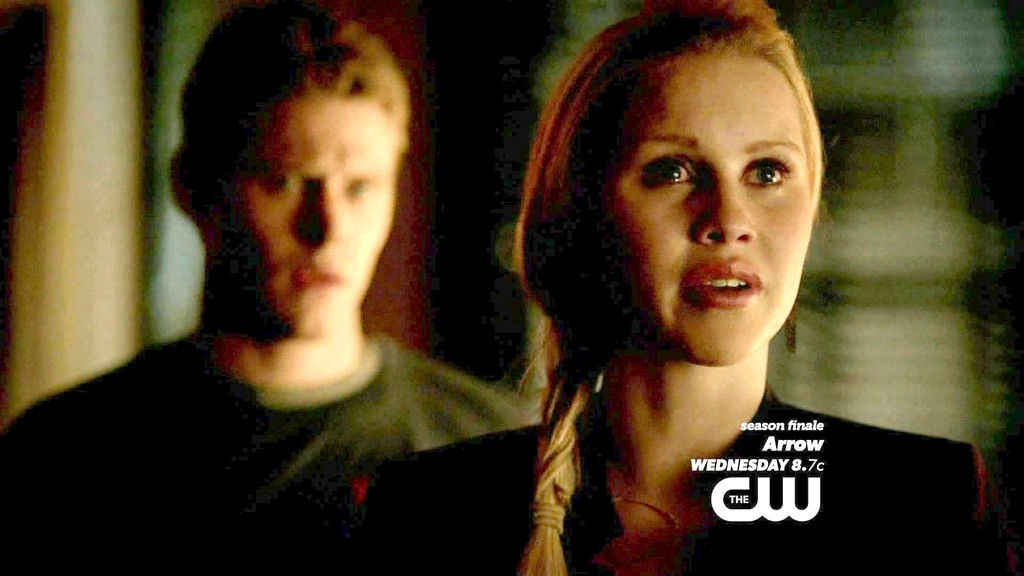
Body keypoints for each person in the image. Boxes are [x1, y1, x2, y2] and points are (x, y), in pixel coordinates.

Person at [363, 1, 1012, 574]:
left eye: (767, 172)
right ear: (582, 210)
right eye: (672, 170)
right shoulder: (431, 513)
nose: (729, 220)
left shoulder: (923, 505)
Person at [0, 0, 529, 557]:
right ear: (194, 188)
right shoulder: (65, 452)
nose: (327, 230)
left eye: (360, 188)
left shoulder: (486, 446)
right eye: (285, 181)